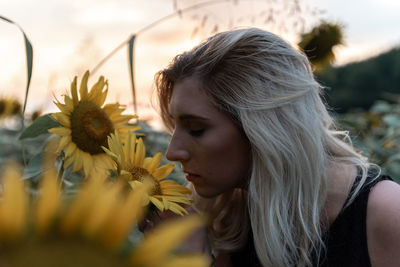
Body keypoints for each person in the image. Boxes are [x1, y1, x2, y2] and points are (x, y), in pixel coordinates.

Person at [154, 27, 400, 267]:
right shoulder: (232, 216)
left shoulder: (387, 214)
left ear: (266, 130)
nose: (173, 152)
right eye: (174, 127)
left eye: (196, 129)